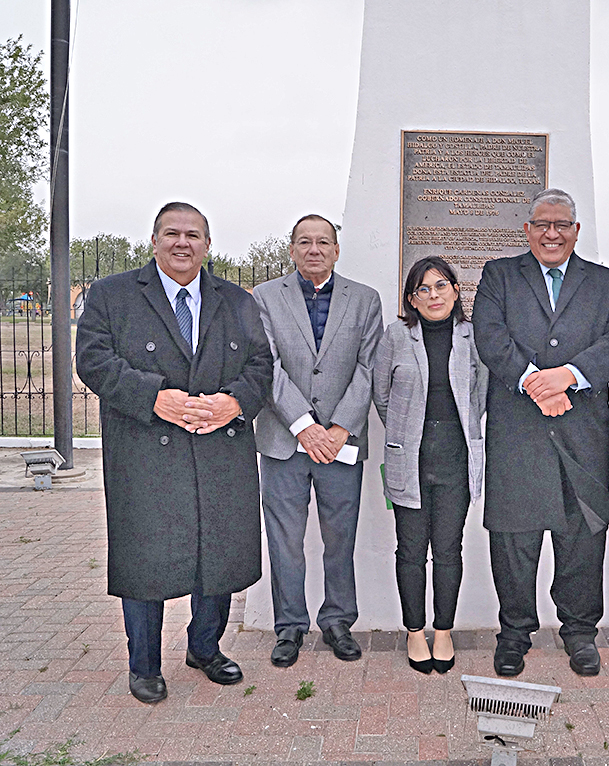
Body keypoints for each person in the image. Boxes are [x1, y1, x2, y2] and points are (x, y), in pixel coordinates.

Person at [76, 202, 273, 704]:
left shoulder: (236, 299)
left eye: (193, 235)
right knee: (147, 558)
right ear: (154, 240)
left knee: (219, 554)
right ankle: (143, 665)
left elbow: (260, 363)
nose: (181, 243)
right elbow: (93, 361)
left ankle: (205, 649)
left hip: (218, 448)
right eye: (171, 234)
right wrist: (153, 396)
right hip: (146, 450)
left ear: (207, 244)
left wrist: (234, 403)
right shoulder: (111, 294)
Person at [473, 188, 609, 677]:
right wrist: (532, 382)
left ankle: (580, 632)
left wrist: (568, 375)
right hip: (518, 431)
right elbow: (490, 335)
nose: (552, 233)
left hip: (581, 432)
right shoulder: (499, 276)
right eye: (542, 224)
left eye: (562, 224)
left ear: (576, 230)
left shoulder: (606, 283)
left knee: (581, 536)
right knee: (514, 539)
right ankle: (515, 632)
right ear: (527, 230)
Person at [253, 214, 382, 667]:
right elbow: (265, 366)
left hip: (340, 444)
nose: (314, 249)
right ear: (291, 249)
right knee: (285, 539)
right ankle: (289, 626)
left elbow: (369, 368)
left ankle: (338, 621)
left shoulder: (365, 300)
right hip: (284, 441)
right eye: (304, 242)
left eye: (323, 242)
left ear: (336, 249)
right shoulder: (265, 297)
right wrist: (304, 425)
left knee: (339, 536)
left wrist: (340, 428)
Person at [373, 256, 487, 674]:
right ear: (411, 299)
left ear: (456, 292)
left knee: (449, 549)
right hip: (411, 458)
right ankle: (415, 631)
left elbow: (481, 393)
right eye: (424, 289)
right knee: (411, 550)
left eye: (441, 286)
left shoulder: (471, 336)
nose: (433, 295)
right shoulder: (396, 336)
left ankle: (443, 630)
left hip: (456, 456)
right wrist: (405, 431)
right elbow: (381, 393)